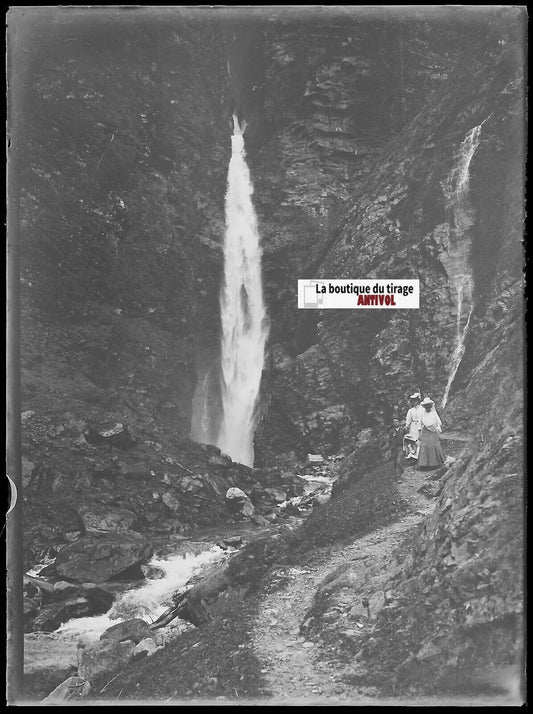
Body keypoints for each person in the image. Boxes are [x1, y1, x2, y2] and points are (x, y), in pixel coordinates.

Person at [417, 397, 446, 469]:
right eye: (426, 406)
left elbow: (438, 424)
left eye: (428, 406)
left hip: (433, 432)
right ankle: (424, 464)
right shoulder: (422, 414)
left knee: (432, 446)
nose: (427, 408)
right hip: (425, 432)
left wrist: (438, 433)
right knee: (425, 446)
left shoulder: (434, 414)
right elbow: (420, 424)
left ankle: (435, 463)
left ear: (430, 406)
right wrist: (420, 434)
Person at [404, 392, 423, 459]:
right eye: (413, 401)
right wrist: (407, 426)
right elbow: (408, 420)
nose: (414, 403)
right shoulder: (410, 410)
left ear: (418, 401)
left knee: (420, 440)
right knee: (413, 440)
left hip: (421, 425)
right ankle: (414, 455)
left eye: (415, 401)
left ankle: (420, 455)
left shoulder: (422, 409)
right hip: (413, 426)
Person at [388, 417, 405, 481]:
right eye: (394, 422)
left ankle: (398, 478)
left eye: (397, 421)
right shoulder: (391, 431)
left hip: (401, 447)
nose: (396, 423)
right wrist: (393, 437)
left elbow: (407, 437)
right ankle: (401, 469)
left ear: (399, 422)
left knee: (398, 461)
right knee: (395, 463)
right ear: (393, 423)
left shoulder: (402, 430)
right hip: (394, 449)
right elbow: (389, 441)